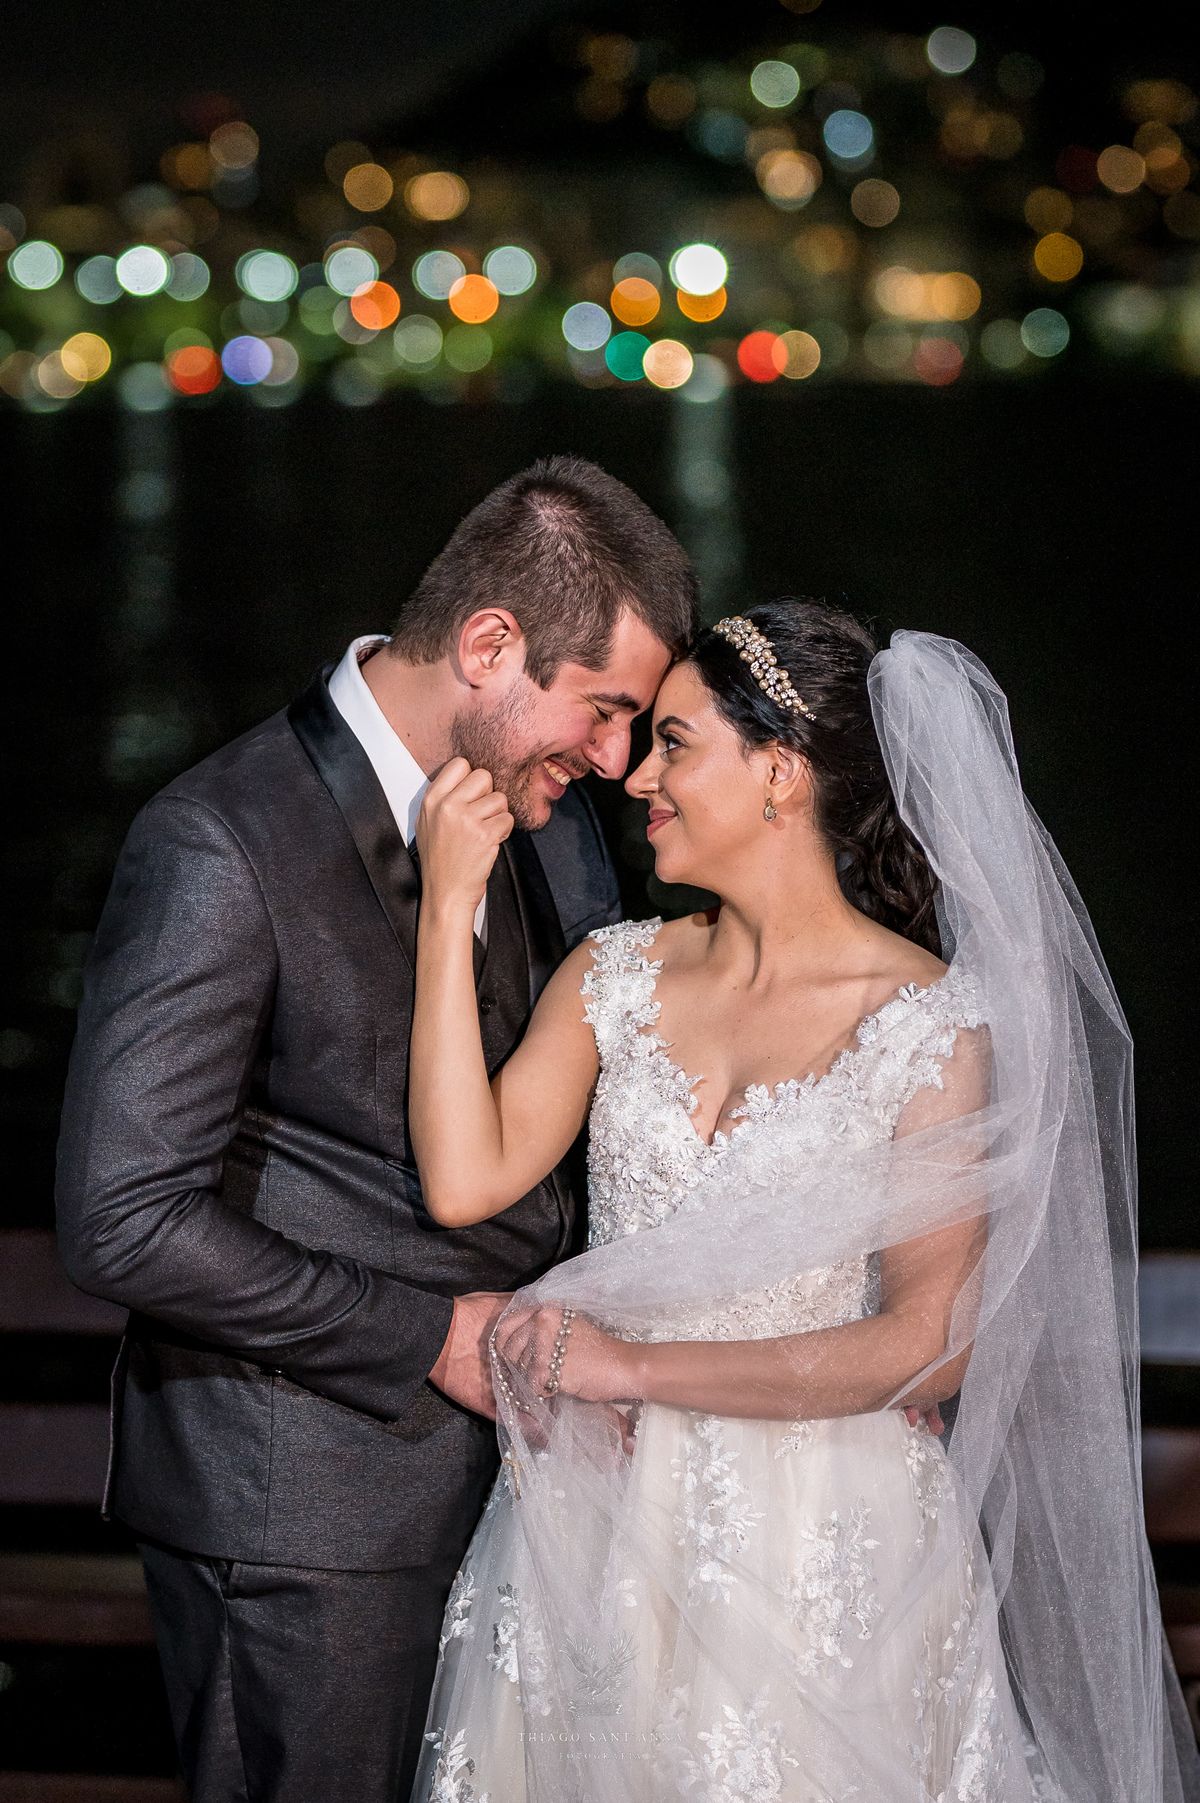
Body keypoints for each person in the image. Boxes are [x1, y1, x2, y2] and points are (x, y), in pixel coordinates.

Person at [407, 604, 1199, 1803]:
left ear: (780, 770)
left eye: (674, 743)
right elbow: (466, 1176)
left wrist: (632, 1370)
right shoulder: (614, 975)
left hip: (830, 1538)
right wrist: (444, 907)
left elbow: (926, 1344)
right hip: (604, 1526)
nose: (638, 781)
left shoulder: (926, 1025)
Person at [54, 456, 697, 1803]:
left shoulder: (557, 823)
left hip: (516, 1494)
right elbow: (123, 1212)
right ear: (489, 644)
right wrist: (426, 1336)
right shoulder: (224, 840)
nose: (616, 758)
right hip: (300, 1521)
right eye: (602, 710)